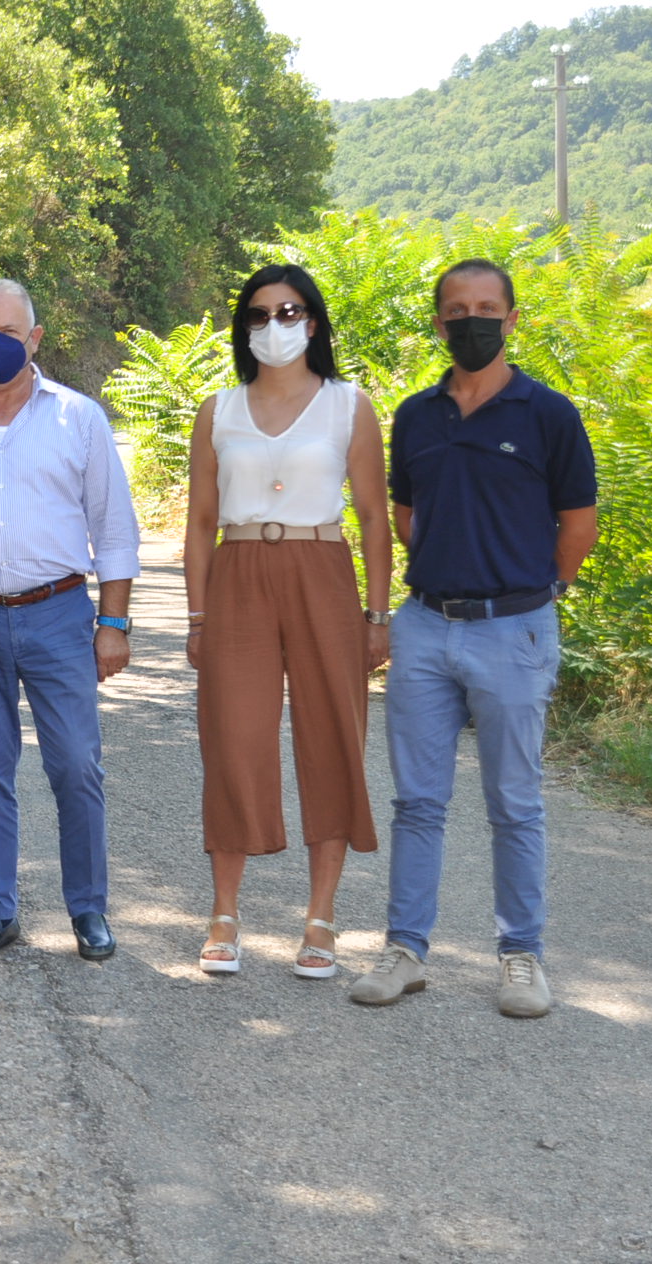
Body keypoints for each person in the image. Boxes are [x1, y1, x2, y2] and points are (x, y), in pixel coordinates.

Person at [349, 258, 598, 1018]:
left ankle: (522, 957)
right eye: (457, 309)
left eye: (487, 307)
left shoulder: (548, 414)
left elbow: (578, 528)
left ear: (513, 319)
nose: (473, 320)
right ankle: (406, 951)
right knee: (417, 802)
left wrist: (539, 592)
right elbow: (405, 515)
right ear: (438, 323)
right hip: (426, 627)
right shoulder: (417, 416)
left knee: (513, 802)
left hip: (515, 632)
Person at [183, 265, 392, 979]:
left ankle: (322, 918)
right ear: (244, 327)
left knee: (332, 731)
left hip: (322, 570)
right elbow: (202, 520)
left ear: (315, 321)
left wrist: (377, 614)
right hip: (239, 572)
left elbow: (372, 517)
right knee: (233, 738)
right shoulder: (218, 410)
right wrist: (198, 614)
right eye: (260, 314)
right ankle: (223, 913)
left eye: (291, 310)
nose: (276, 325)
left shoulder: (349, 406)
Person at [0, 279, 140, 965]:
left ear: (35, 339)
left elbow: (114, 529)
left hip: (59, 614)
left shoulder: (79, 418)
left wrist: (115, 623)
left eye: (9, 333)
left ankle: (89, 910)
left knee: (77, 765)